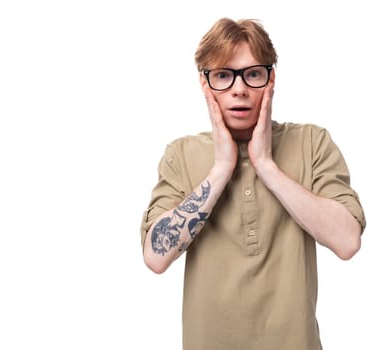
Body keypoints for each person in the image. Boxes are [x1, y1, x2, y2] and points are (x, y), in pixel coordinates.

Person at [140, 17, 366, 350]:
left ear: (271, 78)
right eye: (222, 76)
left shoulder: (312, 142)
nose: (239, 89)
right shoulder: (181, 154)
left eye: (253, 74)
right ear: (205, 84)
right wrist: (220, 170)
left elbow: (347, 241)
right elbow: (155, 257)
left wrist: (267, 166)